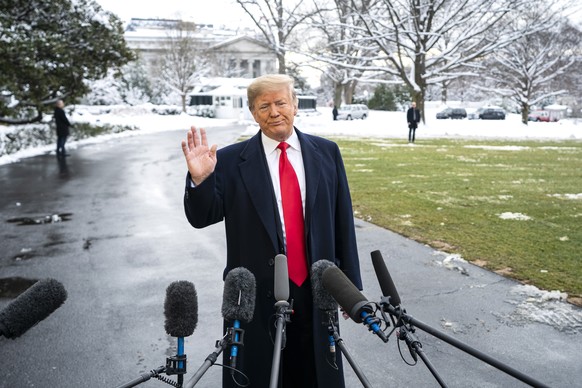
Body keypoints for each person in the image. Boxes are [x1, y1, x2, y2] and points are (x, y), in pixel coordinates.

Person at [181, 74, 362, 388]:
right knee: (260, 377)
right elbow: (202, 217)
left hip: (315, 290)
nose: (274, 111)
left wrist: (349, 288)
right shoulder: (228, 161)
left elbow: (342, 219)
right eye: (264, 106)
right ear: (253, 112)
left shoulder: (326, 152)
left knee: (316, 374)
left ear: (295, 105)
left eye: (281, 102)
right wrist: (201, 181)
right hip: (254, 296)